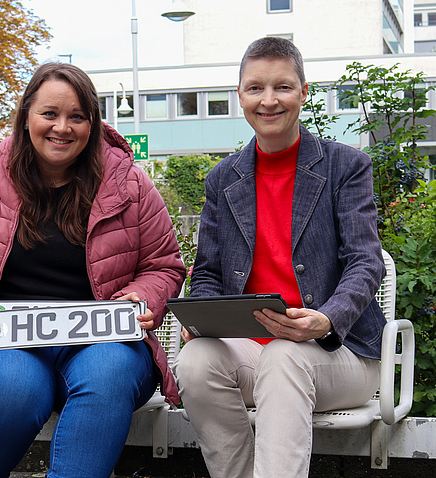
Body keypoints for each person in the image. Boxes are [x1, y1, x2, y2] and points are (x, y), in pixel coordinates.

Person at [0, 62, 186, 478]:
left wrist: (142, 297)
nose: (62, 127)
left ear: (92, 123)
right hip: (0, 341)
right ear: (26, 115)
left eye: (77, 116)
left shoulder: (130, 185)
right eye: (49, 114)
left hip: (101, 338)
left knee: (107, 376)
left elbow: (163, 265)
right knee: (11, 389)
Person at [172, 37, 386, 478]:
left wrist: (326, 318)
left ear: (304, 92)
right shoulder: (222, 178)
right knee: (194, 362)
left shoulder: (345, 166)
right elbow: (208, 272)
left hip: (339, 354)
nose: (268, 101)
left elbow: (366, 262)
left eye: (283, 87)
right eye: (255, 88)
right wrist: (203, 321)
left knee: (286, 355)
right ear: (240, 96)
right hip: (256, 354)